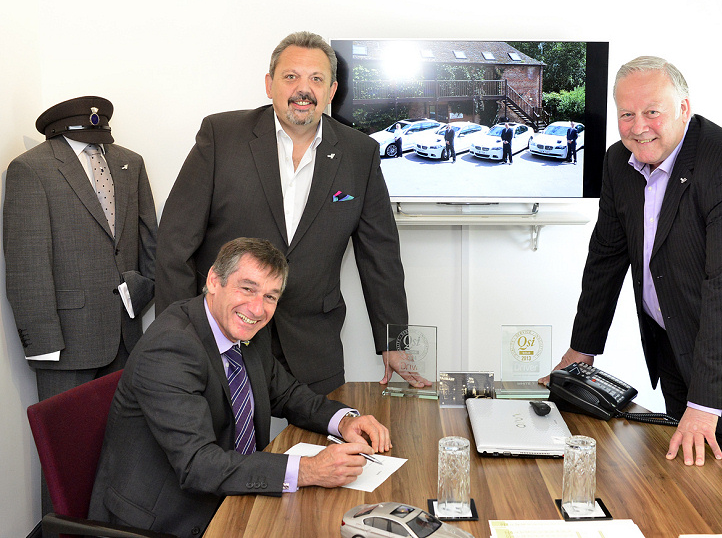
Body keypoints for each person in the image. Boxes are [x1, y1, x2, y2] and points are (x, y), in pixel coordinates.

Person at [541, 56, 722, 478]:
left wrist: (704, 406)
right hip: (676, 351)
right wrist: (582, 349)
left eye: (652, 111)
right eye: (626, 114)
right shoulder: (617, 163)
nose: (637, 125)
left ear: (684, 108)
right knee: (683, 483)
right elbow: (605, 259)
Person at [155, 31, 426, 394]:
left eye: (316, 79)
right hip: (221, 336)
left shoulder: (359, 153)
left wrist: (394, 340)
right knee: (221, 448)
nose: (304, 89)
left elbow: (380, 256)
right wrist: (179, 333)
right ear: (269, 85)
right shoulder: (222, 136)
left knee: (320, 443)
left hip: (314, 344)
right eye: (291, 77)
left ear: (331, 92)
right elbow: (175, 243)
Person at [89, 238, 391, 537]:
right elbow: (198, 465)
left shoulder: (244, 329)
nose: (258, 308)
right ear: (214, 280)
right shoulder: (172, 347)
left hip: (231, 497)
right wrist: (309, 470)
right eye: (247, 288)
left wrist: (345, 420)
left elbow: (286, 393)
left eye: (271, 297)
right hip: (166, 520)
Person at [4, 96, 157, 402]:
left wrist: (140, 295)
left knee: (127, 442)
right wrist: (43, 345)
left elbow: (150, 240)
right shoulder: (32, 168)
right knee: (66, 446)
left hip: (127, 337)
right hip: (66, 345)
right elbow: (27, 266)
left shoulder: (130, 162)